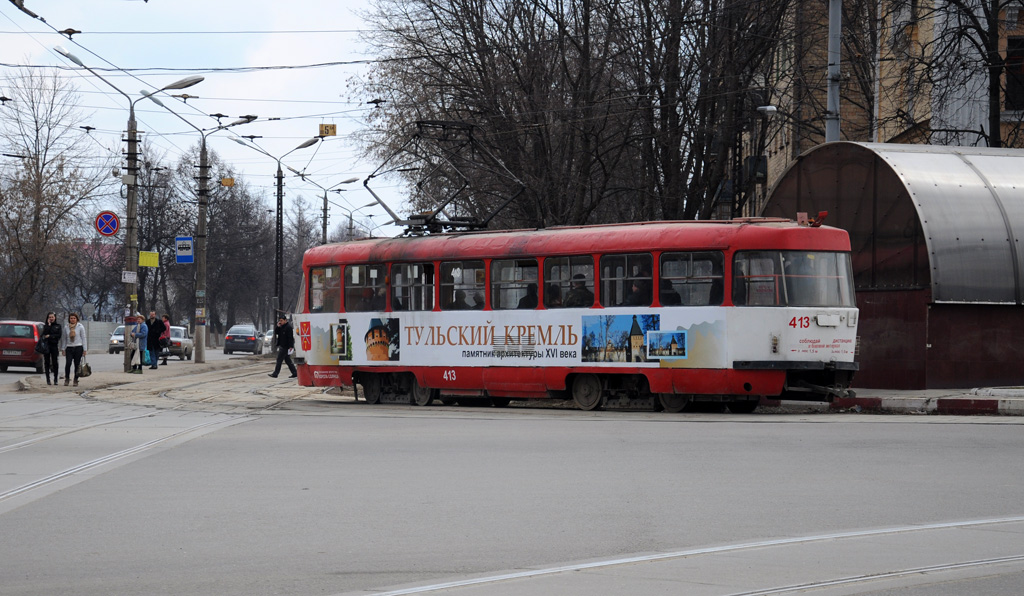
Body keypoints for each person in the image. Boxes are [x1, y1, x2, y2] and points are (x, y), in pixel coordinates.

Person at [59, 312, 87, 387]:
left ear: (77, 319)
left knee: (77, 365)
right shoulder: (66, 327)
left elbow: (83, 338)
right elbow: (64, 338)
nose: (73, 320)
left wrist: (85, 349)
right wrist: (63, 349)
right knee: (68, 363)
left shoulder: (80, 326)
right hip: (69, 347)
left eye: (74, 318)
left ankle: (75, 379)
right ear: (69, 319)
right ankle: (67, 379)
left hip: (78, 347)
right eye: (71, 318)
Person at [268, 314, 297, 378]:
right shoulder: (281, 327)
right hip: (282, 345)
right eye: (280, 321)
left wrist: (291, 346)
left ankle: (275, 373)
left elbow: (290, 338)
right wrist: (278, 326)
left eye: (281, 320)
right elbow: (276, 332)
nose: (280, 322)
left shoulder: (288, 327)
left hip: (285, 347)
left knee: (279, 360)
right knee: (287, 360)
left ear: (285, 320)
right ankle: (295, 372)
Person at [41, 311, 62, 385]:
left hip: (54, 345)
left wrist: (50, 336)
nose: (51, 318)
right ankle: (48, 379)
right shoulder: (46, 326)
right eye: (50, 317)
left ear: (55, 317)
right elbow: (44, 334)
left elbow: (58, 336)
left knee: (55, 362)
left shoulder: (58, 326)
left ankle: (55, 379)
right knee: (46, 362)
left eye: (52, 317)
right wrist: (49, 325)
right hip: (47, 346)